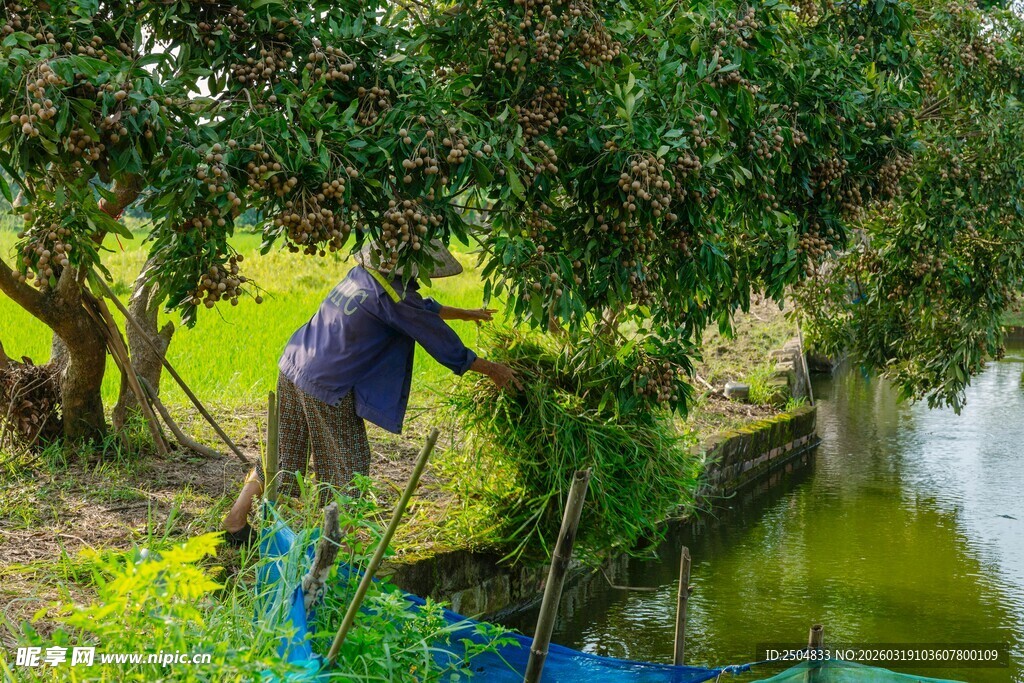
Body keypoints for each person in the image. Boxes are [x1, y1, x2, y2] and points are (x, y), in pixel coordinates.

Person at [222, 240, 518, 545]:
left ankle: (235, 521)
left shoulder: (363, 274)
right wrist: (494, 370)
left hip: (294, 364)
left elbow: (420, 309)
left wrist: (464, 313)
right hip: (328, 385)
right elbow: (441, 343)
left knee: (284, 455)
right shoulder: (397, 298)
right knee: (350, 469)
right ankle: (336, 549)